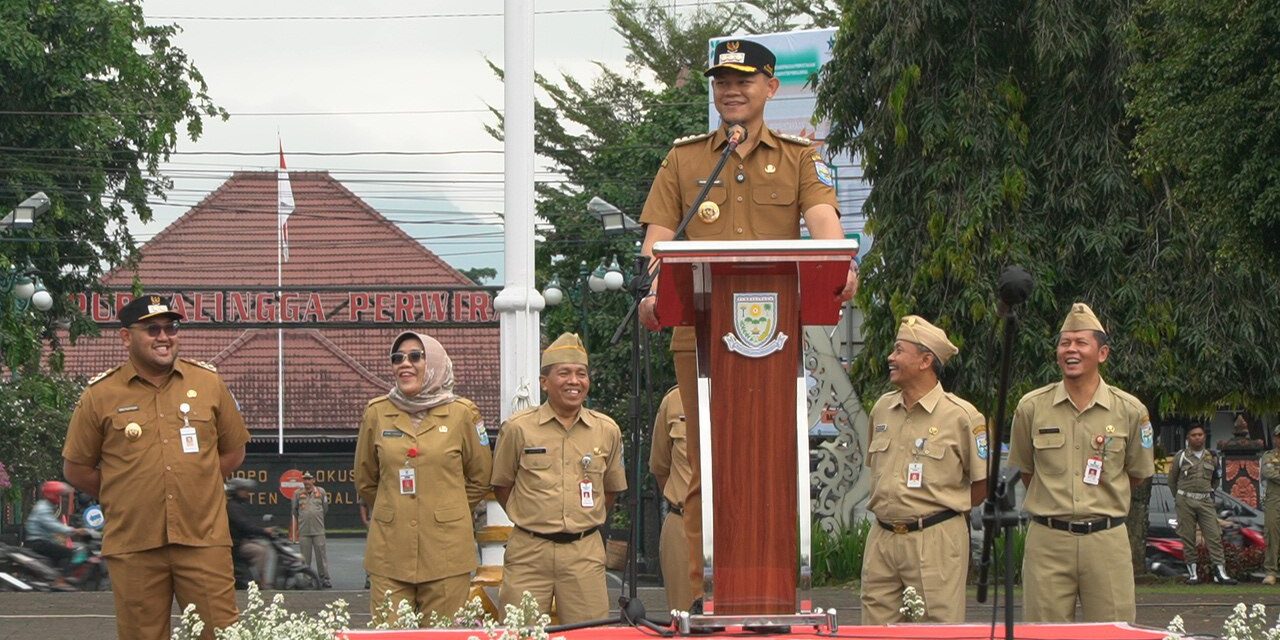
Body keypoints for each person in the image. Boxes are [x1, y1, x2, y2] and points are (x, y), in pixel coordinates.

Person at [636, 36, 858, 608]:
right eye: (721, 81)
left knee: (771, 471)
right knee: (707, 476)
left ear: (770, 88)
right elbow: (657, 243)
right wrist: (657, 284)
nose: (730, 90)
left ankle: (771, 607)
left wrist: (839, 265)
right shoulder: (684, 159)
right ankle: (699, 607)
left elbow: (826, 231)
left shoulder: (799, 156)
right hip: (701, 339)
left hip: (775, 341)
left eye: (743, 80)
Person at [61, 294, 249, 640]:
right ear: (125, 336)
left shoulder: (207, 383)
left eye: (171, 327)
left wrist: (197, 482)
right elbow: (77, 469)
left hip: (202, 539)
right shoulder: (101, 395)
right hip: (134, 543)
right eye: (152, 329)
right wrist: (125, 493)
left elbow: (233, 452)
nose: (164, 336)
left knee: (220, 634)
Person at [1008, 303, 1155, 623]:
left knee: (1113, 630)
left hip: (1106, 540)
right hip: (1048, 541)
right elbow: (1026, 471)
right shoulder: (1031, 407)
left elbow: (1136, 476)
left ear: (1102, 353)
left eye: (1080, 343)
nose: (1070, 350)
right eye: (1064, 343)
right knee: (1043, 631)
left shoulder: (1130, 410)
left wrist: (1098, 501)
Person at [355, 331, 492, 624]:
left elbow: (480, 477)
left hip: (447, 550)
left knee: (442, 633)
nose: (405, 364)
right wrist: (395, 508)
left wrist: (446, 509)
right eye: (397, 358)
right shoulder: (377, 413)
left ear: (436, 363)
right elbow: (366, 479)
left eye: (416, 356)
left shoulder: (463, 414)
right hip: (390, 549)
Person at [492, 332, 627, 623]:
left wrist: (583, 519)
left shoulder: (606, 430)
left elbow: (611, 490)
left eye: (581, 374)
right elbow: (502, 485)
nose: (574, 381)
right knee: (520, 631)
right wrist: (533, 518)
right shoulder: (518, 428)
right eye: (564, 373)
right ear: (544, 382)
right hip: (529, 551)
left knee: (588, 633)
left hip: (584, 552)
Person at [860, 316, 987, 623]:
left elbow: (981, 485)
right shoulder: (881, 409)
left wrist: (936, 511)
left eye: (899, 351)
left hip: (935, 539)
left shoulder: (962, 416)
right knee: (873, 629)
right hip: (882, 536)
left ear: (926, 360)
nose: (890, 358)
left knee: (936, 627)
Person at [1168, 423, 1235, 584]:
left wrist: (1209, 491)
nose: (1197, 437)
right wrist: (1178, 498)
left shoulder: (1211, 457)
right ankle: (1193, 574)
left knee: (1214, 535)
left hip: (1205, 500)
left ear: (1205, 437)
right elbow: (1172, 480)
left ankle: (1221, 573)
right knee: (1188, 537)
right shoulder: (1181, 456)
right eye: (1193, 435)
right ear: (1188, 438)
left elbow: (1216, 478)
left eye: (1200, 434)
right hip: (1185, 500)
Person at [649, 386, 692, 611]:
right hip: (684, 525)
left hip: (739, 531)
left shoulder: (753, 393)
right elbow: (661, 468)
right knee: (684, 620)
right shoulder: (674, 400)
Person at [24, 480, 88, 590]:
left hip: (40, 541)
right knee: (69, 553)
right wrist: (73, 530)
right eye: (59, 495)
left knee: (59, 552)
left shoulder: (45, 505)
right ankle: (60, 581)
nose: (61, 498)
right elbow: (52, 525)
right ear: (53, 495)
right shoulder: (43, 508)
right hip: (38, 542)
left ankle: (52, 578)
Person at [225, 477, 272, 588]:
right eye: (243, 490)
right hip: (236, 544)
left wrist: (261, 530)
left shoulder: (239, 506)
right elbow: (244, 525)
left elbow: (249, 524)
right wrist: (263, 531)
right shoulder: (232, 507)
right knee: (260, 551)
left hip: (242, 540)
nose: (247, 493)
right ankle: (260, 581)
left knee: (264, 545)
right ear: (236, 491)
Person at [292, 471, 331, 588]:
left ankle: (324, 578)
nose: (307, 482)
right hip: (304, 531)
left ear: (314, 480)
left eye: (309, 479)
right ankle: (307, 579)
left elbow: (325, 509)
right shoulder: (297, 493)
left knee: (321, 556)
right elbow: (294, 511)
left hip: (318, 530)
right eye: (305, 479)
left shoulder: (321, 492)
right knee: (304, 557)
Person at [1261, 426, 1280, 584]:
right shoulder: (1269, 456)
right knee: (1272, 532)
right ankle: (1271, 571)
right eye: (1278, 437)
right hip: (1275, 498)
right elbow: (1269, 473)